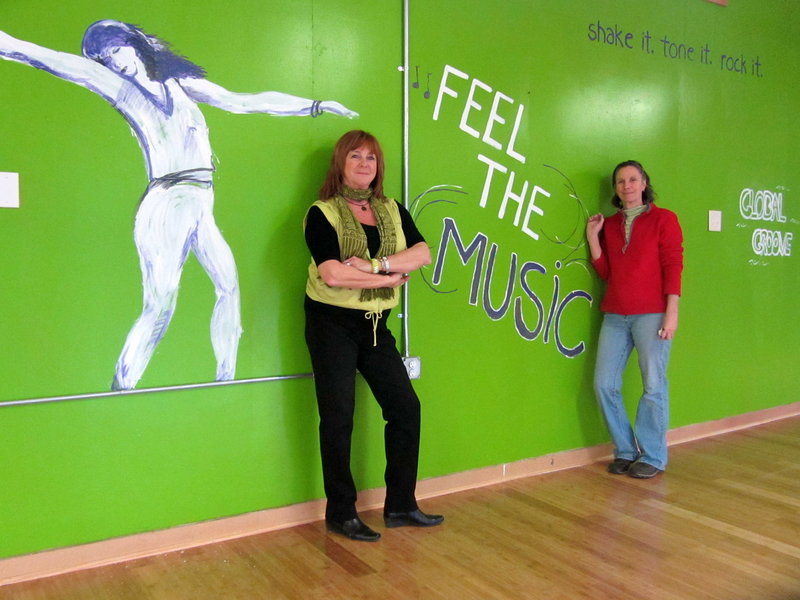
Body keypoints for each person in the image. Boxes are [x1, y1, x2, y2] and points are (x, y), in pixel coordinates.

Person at [0, 21, 356, 390]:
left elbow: (241, 102)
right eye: (104, 59)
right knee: (160, 308)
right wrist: (7, 45)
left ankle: (226, 380)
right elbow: (49, 59)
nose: (113, 62)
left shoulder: (179, 84)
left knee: (228, 287)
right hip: (166, 205)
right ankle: (122, 386)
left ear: (133, 44)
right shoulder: (121, 89)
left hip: (200, 202)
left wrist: (314, 106)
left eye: (115, 51)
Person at [303, 130, 443, 541]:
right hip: (331, 323)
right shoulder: (321, 212)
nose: (365, 164)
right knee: (339, 418)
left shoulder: (391, 208)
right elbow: (330, 272)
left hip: (377, 324)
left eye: (371, 158)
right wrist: (391, 274)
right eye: (355, 157)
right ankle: (340, 512)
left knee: (405, 408)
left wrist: (373, 267)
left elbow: (423, 253)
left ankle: (400, 504)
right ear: (340, 164)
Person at [585, 160, 683, 479]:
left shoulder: (664, 219)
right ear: (615, 188)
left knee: (653, 385)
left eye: (632, 179)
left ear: (644, 183)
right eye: (620, 181)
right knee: (604, 384)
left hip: (652, 313)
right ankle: (626, 451)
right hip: (615, 314)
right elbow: (606, 273)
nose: (626, 185)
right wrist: (593, 237)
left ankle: (653, 456)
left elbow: (673, 265)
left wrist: (672, 312)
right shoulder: (610, 225)